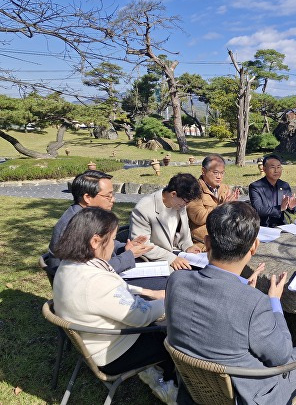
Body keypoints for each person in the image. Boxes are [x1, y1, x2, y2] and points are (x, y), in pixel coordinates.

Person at [166, 202, 296, 404]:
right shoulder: (254, 303)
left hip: (195, 387)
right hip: (251, 395)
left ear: (206, 243)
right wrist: (274, 302)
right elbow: (282, 356)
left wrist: (242, 288)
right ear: (255, 246)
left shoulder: (176, 281)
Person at [52, 207, 177, 404]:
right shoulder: (94, 281)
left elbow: (113, 287)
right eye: (111, 240)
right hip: (114, 353)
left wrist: (149, 292)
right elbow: (141, 316)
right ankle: (172, 386)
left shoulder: (70, 265)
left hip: (96, 340)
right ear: (95, 241)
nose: (114, 246)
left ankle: (160, 375)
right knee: (176, 336)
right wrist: (170, 301)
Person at [45, 170, 152, 277]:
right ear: (87, 197)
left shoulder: (88, 217)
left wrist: (124, 248)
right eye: (108, 196)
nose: (113, 199)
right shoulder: (76, 225)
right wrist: (129, 256)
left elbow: (103, 245)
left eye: (112, 194)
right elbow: (92, 270)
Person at [130, 173, 201, 270]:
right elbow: (141, 245)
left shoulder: (180, 204)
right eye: (186, 201)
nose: (186, 205)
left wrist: (188, 246)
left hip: (175, 253)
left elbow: (182, 233)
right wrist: (171, 258)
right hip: (153, 260)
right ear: (173, 194)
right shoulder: (144, 208)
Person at [186, 154, 239, 251]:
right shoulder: (194, 189)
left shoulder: (224, 188)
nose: (219, 177)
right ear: (203, 171)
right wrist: (222, 206)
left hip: (226, 239)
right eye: (215, 172)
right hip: (204, 243)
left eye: (222, 173)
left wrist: (234, 206)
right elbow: (199, 217)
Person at [249, 154, 296, 227]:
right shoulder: (255, 187)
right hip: (262, 226)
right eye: (272, 167)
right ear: (264, 169)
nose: (276, 170)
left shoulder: (284, 185)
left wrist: (291, 206)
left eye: (279, 167)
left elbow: (290, 209)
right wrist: (280, 208)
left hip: (281, 225)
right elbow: (258, 210)